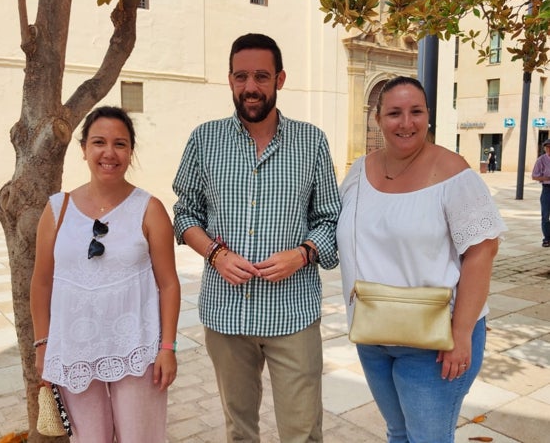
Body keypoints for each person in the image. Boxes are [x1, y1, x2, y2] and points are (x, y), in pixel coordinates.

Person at [172, 33, 341, 442]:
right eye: (242, 76)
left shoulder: (312, 142)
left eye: (261, 76)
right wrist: (214, 253)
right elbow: (184, 214)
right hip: (227, 314)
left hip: (293, 315)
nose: (251, 87)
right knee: (239, 430)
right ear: (230, 80)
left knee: (302, 430)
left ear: (280, 80)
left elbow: (331, 219)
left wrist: (302, 254)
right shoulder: (204, 140)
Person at [336, 76, 507, 443]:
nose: (406, 122)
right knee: (398, 433)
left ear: (428, 116)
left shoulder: (453, 173)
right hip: (373, 334)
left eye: (416, 112)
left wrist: (460, 334)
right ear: (377, 118)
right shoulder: (358, 172)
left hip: (434, 341)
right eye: (395, 113)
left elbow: (482, 251)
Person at [31, 106, 181, 442]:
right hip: (73, 349)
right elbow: (41, 282)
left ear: (131, 152)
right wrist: (43, 344)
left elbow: (169, 284)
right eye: (99, 142)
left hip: (136, 349)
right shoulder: (58, 209)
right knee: (89, 439)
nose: (109, 153)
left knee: (140, 437)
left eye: (120, 144)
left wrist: (167, 347)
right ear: (83, 148)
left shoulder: (150, 209)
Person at [531, 138, 550, 247]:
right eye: (547, 147)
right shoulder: (541, 160)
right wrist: (546, 177)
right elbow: (534, 176)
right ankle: (547, 238)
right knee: (545, 215)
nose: (548, 149)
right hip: (547, 189)